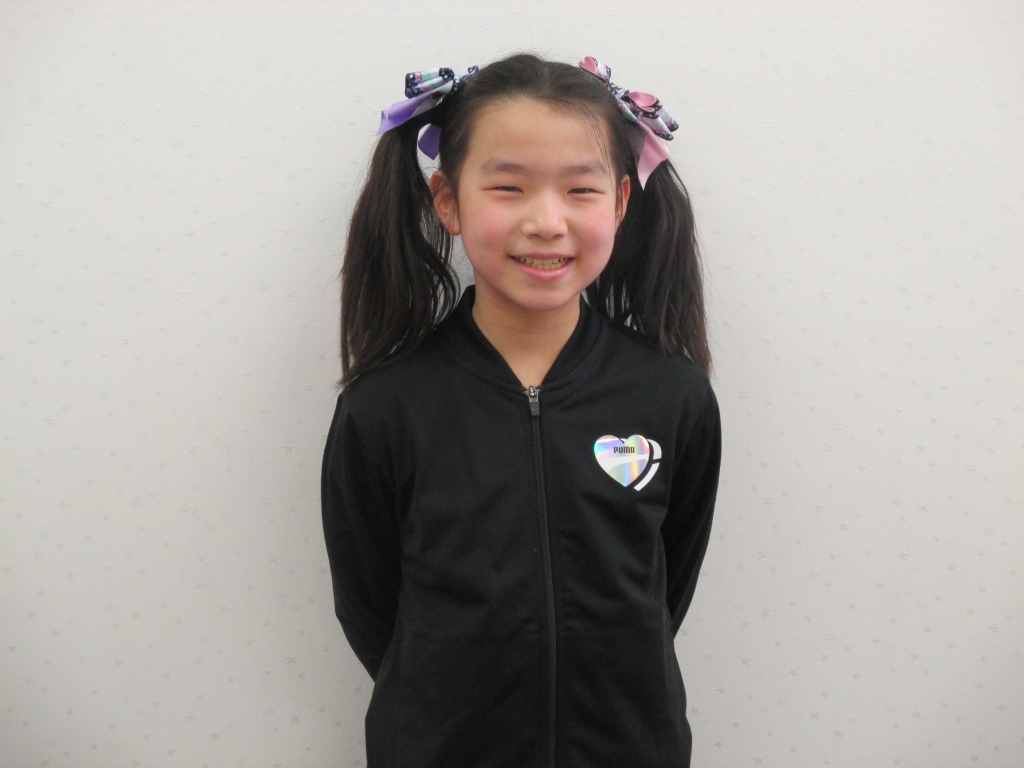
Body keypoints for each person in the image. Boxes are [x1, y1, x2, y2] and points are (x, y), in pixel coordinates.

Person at [321, 51, 723, 768]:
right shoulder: (385, 406)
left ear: (621, 203)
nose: (546, 221)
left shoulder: (672, 395)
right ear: (448, 200)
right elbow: (371, 608)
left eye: (580, 190)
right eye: (508, 188)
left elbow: (667, 588)